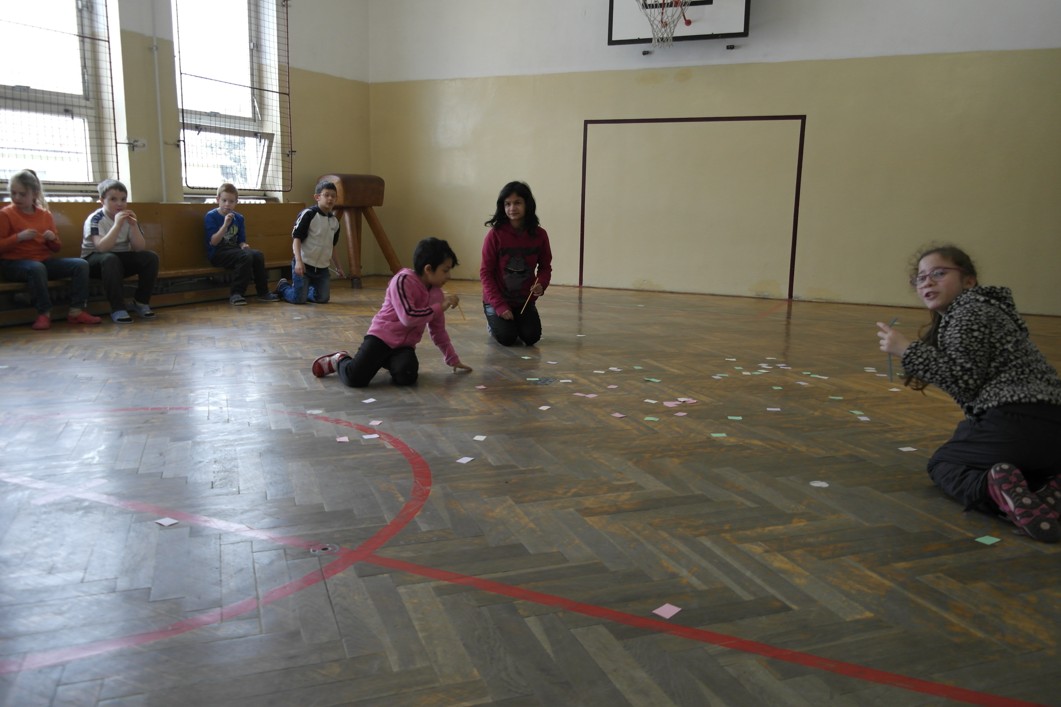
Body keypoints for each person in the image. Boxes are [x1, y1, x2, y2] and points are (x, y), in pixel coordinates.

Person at [877, 245, 1061, 543]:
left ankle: (993, 489)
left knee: (944, 464)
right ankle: (1045, 487)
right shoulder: (986, 310)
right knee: (996, 450)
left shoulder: (968, 312)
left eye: (939, 273)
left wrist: (906, 349)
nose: (927, 282)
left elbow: (963, 380)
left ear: (969, 281)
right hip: (1052, 429)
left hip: (1016, 420)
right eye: (920, 278)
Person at [312, 237, 472, 387]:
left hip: (404, 346)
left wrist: (452, 358)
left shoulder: (436, 295)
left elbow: (438, 330)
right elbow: (408, 317)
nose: (449, 276)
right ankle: (339, 359)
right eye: (445, 270)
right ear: (428, 269)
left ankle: (384, 360)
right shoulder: (402, 281)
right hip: (380, 338)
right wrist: (441, 307)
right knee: (355, 379)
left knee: (407, 376)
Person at [0, 169, 101, 330]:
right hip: (14, 264)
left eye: (22, 194)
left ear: (34, 194)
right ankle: (44, 313)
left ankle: (76, 311)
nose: (17, 198)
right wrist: (18, 238)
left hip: (42, 261)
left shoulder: (44, 215)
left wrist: (52, 239)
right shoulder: (6, 214)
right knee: (36, 268)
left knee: (80, 264)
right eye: (13, 193)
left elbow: (56, 248)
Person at [479, 181, 552, 346]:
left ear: (527, 205)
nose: (512, 208)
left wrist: (541, 284)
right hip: (497, 300)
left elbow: (545, 267)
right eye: (507, 204)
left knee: (531, 337)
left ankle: (515, 321)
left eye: (517, 203)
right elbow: (485, 273)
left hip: (524, 301)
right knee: (507, 338)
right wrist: (499, 306)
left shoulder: (540, 235)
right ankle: (494, 323)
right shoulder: (495, 235)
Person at [82, 179, 160, 323]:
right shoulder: (95, 219)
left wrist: (134, 226)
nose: (119, 203)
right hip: (94, 260)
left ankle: (141, 302)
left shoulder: (128, 217)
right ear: (102, 201)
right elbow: (101, 248)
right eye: (113, 199)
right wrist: (117, 225)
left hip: (118, 260)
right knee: (110, 258)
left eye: (123, 199)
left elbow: (139, 248)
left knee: (150, 258)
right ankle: (118, 308)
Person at [204, 183, 280, 305]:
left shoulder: (239, 218)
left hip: (234, 251)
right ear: (218, 200)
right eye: (224, 200)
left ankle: (263, 292)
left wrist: (243, 245)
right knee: (245, 256)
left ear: (236, 202)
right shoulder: (211, 216)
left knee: (257, 255)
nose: (227, 204)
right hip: (218, 253)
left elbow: (241, 241)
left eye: (231, 201)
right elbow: (213, 242)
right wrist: (225, 225)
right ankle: (236, 293)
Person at [276, 180, 340, 304]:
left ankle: (305, 290)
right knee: (299, 300)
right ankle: (283, 287)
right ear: (317, 197)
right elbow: (296, 239)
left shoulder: (335, 222)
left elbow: (332, 246)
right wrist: (299, 261)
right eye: (326, 195)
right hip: (304, 264)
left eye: (333, 196)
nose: (330, 198)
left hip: (322, 268)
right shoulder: (309, 214)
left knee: (322, 298)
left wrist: (338, 267)